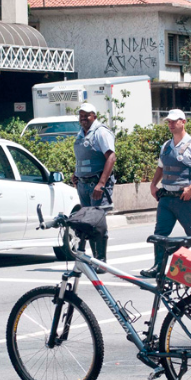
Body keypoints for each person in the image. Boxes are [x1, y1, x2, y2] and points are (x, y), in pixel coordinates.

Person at [141, 109, 191, 278]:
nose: (171, 124)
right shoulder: (166, 146)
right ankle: (158, 267)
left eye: (174, 121)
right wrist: (153, 185)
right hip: (166, 198)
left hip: (184, 199)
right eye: (169, 122)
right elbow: (161, 167)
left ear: (183, 122)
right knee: (159, 234)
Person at [71, 102, 117, 267]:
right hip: (83, 185)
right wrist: (76, 174)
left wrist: (101, 183)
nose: (83, 118)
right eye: (81, 115)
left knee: (98, 224)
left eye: (87, 115)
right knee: (89, 224)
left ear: (94, 116)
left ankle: (101, 262)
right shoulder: (82, 133)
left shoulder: (100, 133)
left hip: (96, 185)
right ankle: (94, 260)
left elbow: (111, 157)